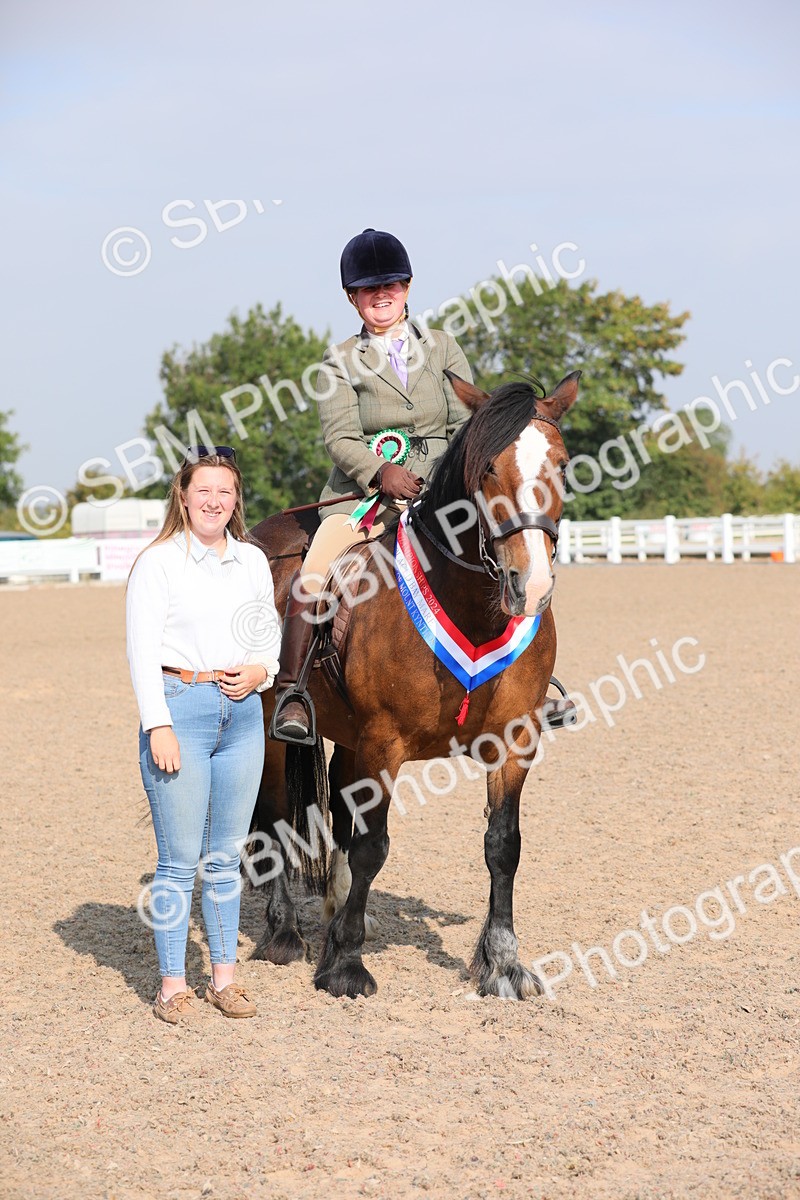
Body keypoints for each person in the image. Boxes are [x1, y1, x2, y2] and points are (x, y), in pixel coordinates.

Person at [272, 228, 474, 741]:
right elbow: (339, 436)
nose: (380, 295)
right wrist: (380, 473)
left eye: (390, 285)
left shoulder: (445, 348)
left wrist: (436, 476)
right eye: (368, 289)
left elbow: (464, 424)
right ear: (352, 298)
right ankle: (294, 691)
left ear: (406, 287)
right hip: (364, 500)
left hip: (442, 490)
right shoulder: (337, 360)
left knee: (503, 547)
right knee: (316, 566)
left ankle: (533, 680)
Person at [126, 447, 282, 1024]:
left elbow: (267, 632)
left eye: (225, 492)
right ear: (183, 497)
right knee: (177, 862)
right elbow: (141, 652)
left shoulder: (251, 562)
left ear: (236, 500)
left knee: (225, 858)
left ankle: (224, 979)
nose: (215, 501)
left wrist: (262, 669)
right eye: (204, 491)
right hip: (180, 707)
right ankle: (172, 985)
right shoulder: (158, 563)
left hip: (242, 716)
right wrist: (157, 724)